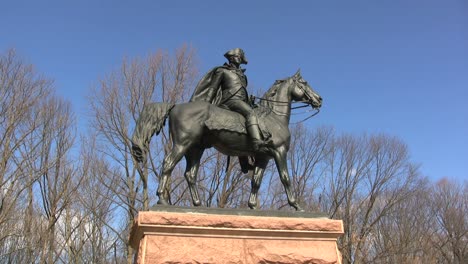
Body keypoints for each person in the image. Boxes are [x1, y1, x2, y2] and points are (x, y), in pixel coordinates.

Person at [190, 48, 271, 151]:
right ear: (231, 58)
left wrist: (249, 101)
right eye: (238, 57)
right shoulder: (222, 71)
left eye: (240, 57)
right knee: (251, 113)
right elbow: (213, 88)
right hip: (229, 101)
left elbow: (241, 92)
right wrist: (206, 104)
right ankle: (256, 142)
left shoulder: (243, 76)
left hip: (240, 102)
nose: (240, 59)